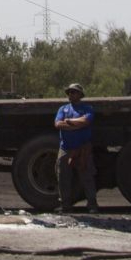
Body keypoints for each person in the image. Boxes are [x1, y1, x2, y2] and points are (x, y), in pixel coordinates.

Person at [55, 83, 98, 213]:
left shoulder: (87, 108)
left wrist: (69, 122)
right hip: (65, 148)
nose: (71, 94)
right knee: (63, 177)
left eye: (74, 92)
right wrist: (76, 125)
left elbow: (86, 121)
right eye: (69, 92)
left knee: (86, 176)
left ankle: (92, 205)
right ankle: (65, 205)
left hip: (82, 148)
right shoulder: (63, 109)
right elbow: (58, 124)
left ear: (80, 95)